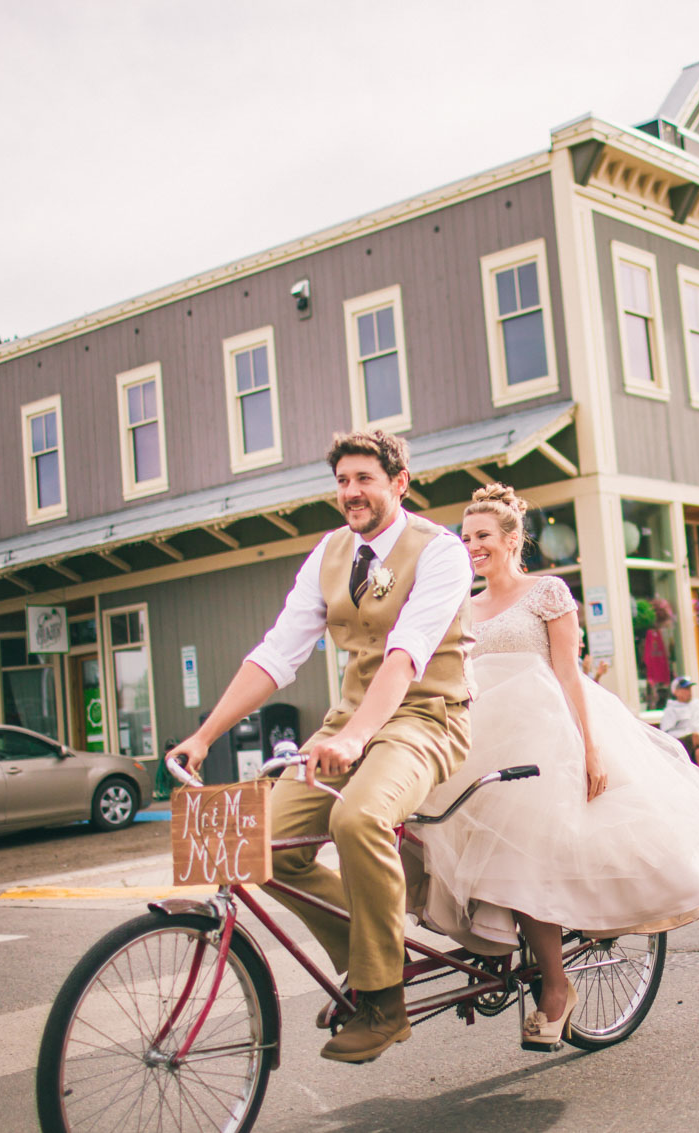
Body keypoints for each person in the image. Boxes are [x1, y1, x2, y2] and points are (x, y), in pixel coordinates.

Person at [167, 429, 473, 1065]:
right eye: (341, 482)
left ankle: (385, 1003)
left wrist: (360, 735)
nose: (350, 493)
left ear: (399, 483)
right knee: (260, 847)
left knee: (357, 817)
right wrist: (203, 735)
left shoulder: (440, 552)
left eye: (364, 479)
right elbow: (280, 651)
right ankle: (367, 960)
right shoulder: (329, 553)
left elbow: (406, 653)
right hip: (346, 722)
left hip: (425, 715)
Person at [411, 485, 699, 1050]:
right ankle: (492, 953)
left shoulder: (546, 593)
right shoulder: (462, 607)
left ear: (513, 539)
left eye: (483, 537)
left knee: (527, 858)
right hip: (482, 739)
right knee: (437, 837)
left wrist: (591, 749)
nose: (472, 546)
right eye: (465, 537)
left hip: (547, 737)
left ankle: (555, 987)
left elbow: (569, 676)